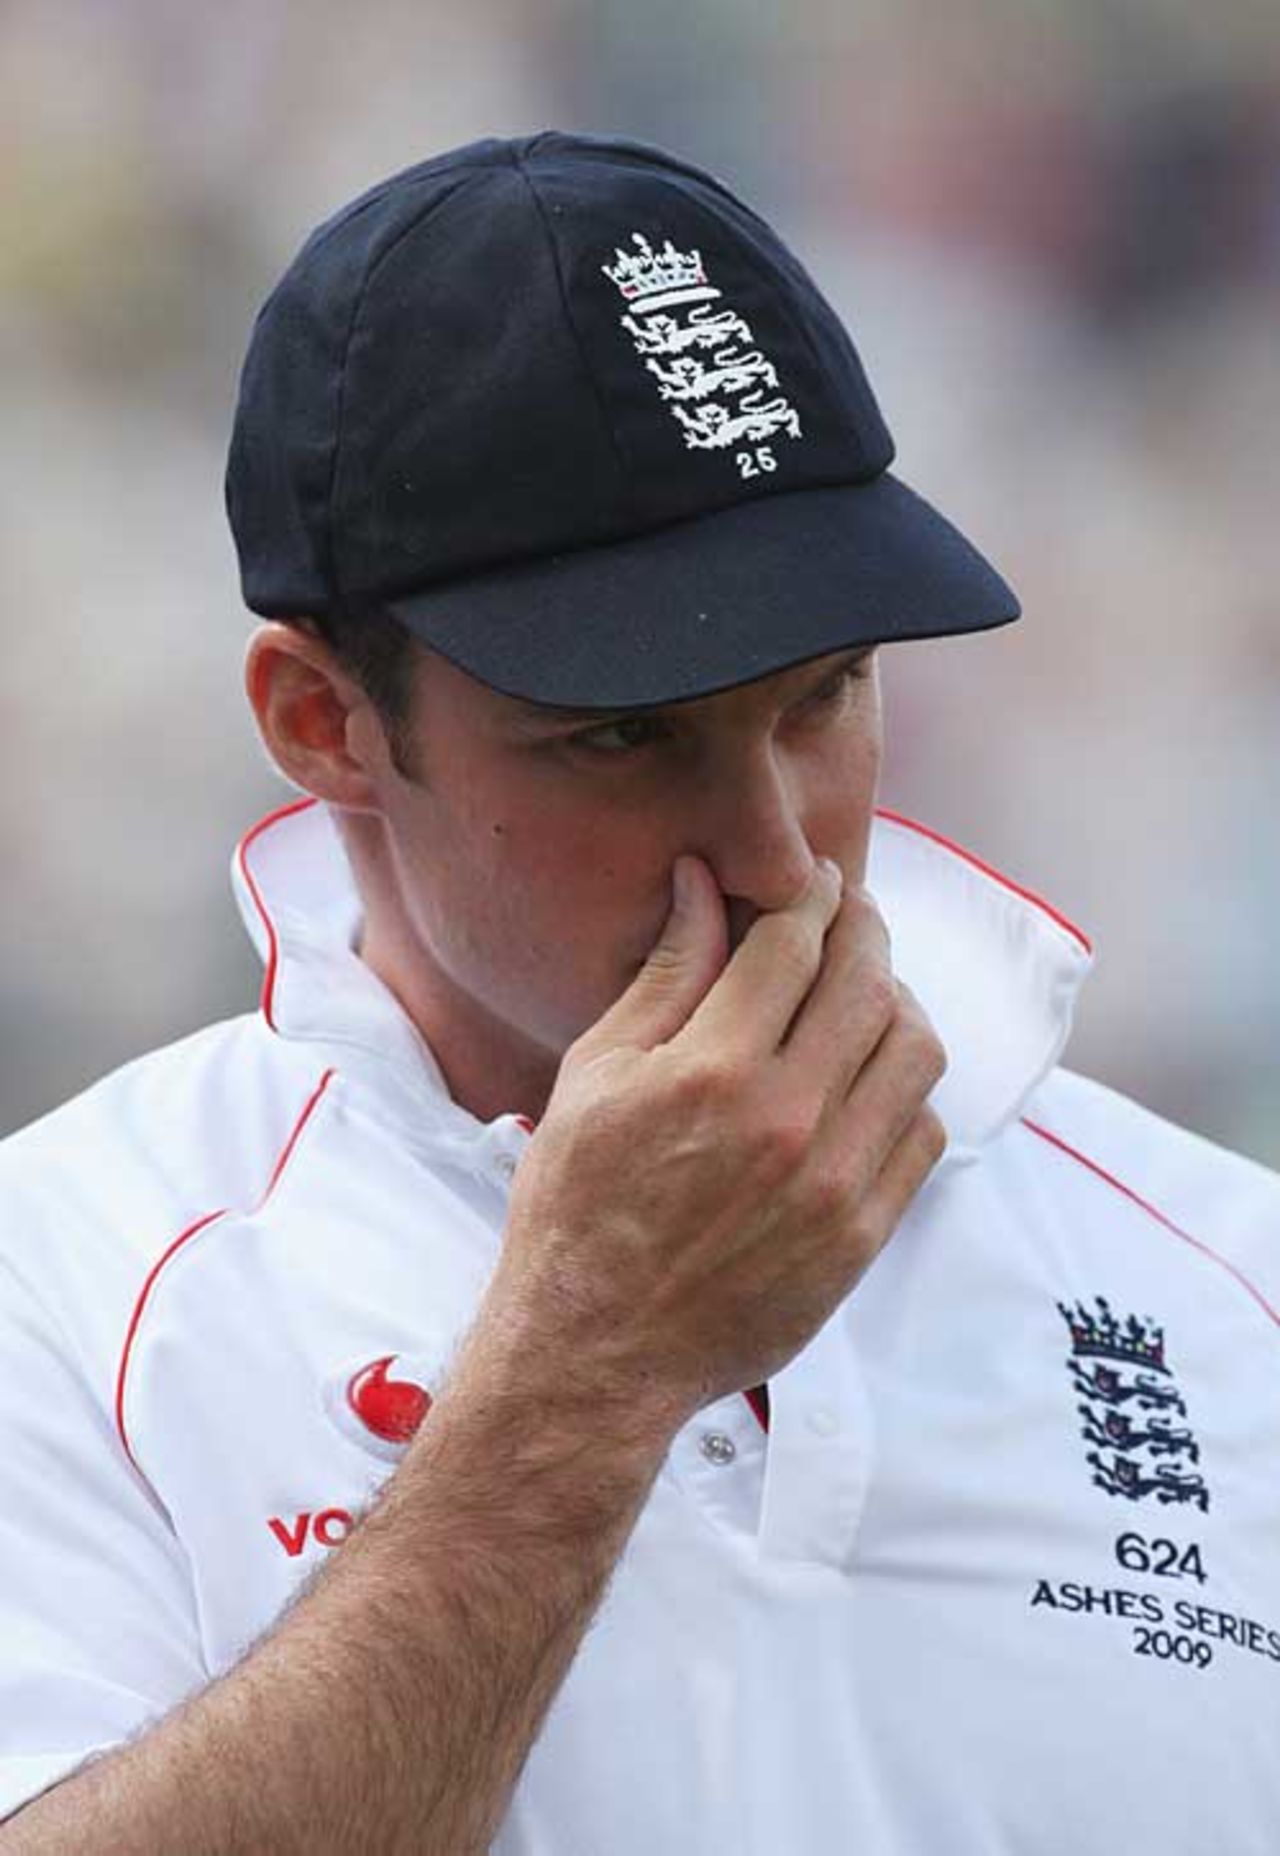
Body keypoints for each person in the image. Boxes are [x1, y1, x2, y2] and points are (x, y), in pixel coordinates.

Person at [1, 129, 1278, 1856]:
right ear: (323, 723)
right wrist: (589, 1371)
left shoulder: (1227, 1275)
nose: (777, 858)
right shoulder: (63, 1291)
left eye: (822, 696)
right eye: (622, 735)